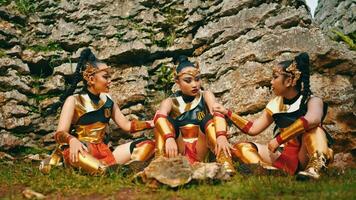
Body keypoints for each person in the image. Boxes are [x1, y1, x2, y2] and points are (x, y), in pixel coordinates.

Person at [213, 53, 333, 179]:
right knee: (241, 147)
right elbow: (253, 129)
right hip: (284, 155)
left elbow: (313, 119)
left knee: (314, 129)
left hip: (305, 155)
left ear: (289, 81)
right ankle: (269, 171)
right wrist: (228, 112)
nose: (271, 82)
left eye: (275, 77)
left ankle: (314, 169)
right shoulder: (275, 103)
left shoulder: (312, 100)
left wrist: (278, 139)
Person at [39, 48, 155, 175]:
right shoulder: (73, 100)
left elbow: (127, 125)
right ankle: (111, 171)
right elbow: (59, 134)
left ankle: (118, 170)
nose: (110, 81)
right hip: (82, 149)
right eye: (105, 77)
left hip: (104, 151)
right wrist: (72, 140)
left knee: (148, 144)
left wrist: (153, 122)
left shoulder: (108, 100)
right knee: (77, 154)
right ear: (91, 79)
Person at [153, 55, 235, 174]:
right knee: (162, 120)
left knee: (211, 117)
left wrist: (221, 136)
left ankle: (225, 161)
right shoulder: (170, 101)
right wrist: (169, 138)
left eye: (197, 79)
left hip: (201, 147)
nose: (194, 84)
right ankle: (159, 163)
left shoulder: (206, 95)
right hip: (178, 148)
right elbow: (159, 118)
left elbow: (217, 112)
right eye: (188, 80)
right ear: (177, 82)